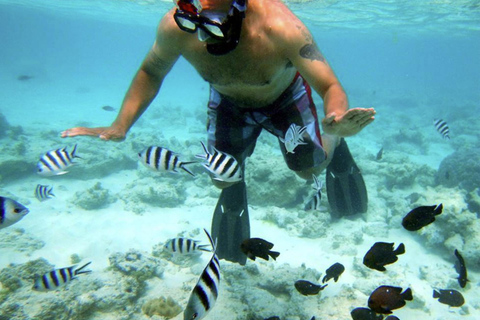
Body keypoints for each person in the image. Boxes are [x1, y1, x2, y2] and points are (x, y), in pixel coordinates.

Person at [62, 0, 375, 264]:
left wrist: (335, 119)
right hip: (227, 102)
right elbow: (151, 70)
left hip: (284, 98)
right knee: (220, 177)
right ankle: (235, 177)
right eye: (195, 18)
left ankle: (332, 144)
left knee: (309, 170)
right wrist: (121, 124)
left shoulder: (280, 27)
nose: (204, 34)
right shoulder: (176, 26)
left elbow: (329, 85)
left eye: (214, 23)